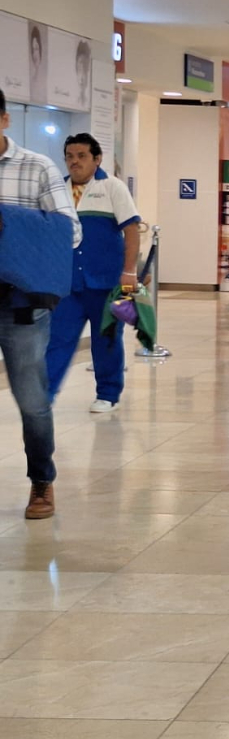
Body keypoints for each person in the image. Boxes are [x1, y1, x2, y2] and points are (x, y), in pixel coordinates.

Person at [0, 89, 80, 520]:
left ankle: (41, 482)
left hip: (22, 305)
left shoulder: (37, 168)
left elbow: (69, 233)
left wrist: (9, 225)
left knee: (32, 398)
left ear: (4, 120)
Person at [45, 132, 140, 414]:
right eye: (70, 157)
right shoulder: (57, 190)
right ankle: (44, 394)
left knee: (107, 339)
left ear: (97, 159)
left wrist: (129, 272)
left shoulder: (112, 187)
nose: (74, 162)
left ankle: (108, 393)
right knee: (57, 339)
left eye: (81, 156)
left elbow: (132, 230)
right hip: (67, 284)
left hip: (106, 281)